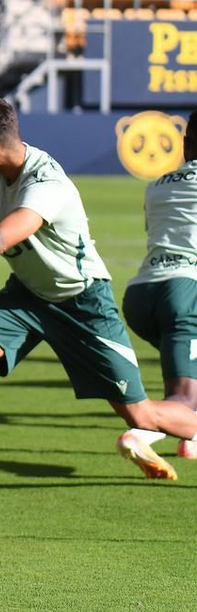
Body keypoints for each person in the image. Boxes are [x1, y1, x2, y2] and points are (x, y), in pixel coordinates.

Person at [0, 99, 197, 496]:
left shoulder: (46, 183)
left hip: (83, 301)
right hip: (27, 294)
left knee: (142, 415)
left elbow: (0, 238)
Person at [119, 117, 197, 469]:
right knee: (183, 398)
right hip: (184, 293)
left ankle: (191, 441)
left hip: (141, 294)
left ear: (185, 143)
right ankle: (141, 432)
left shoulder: (158, 185)